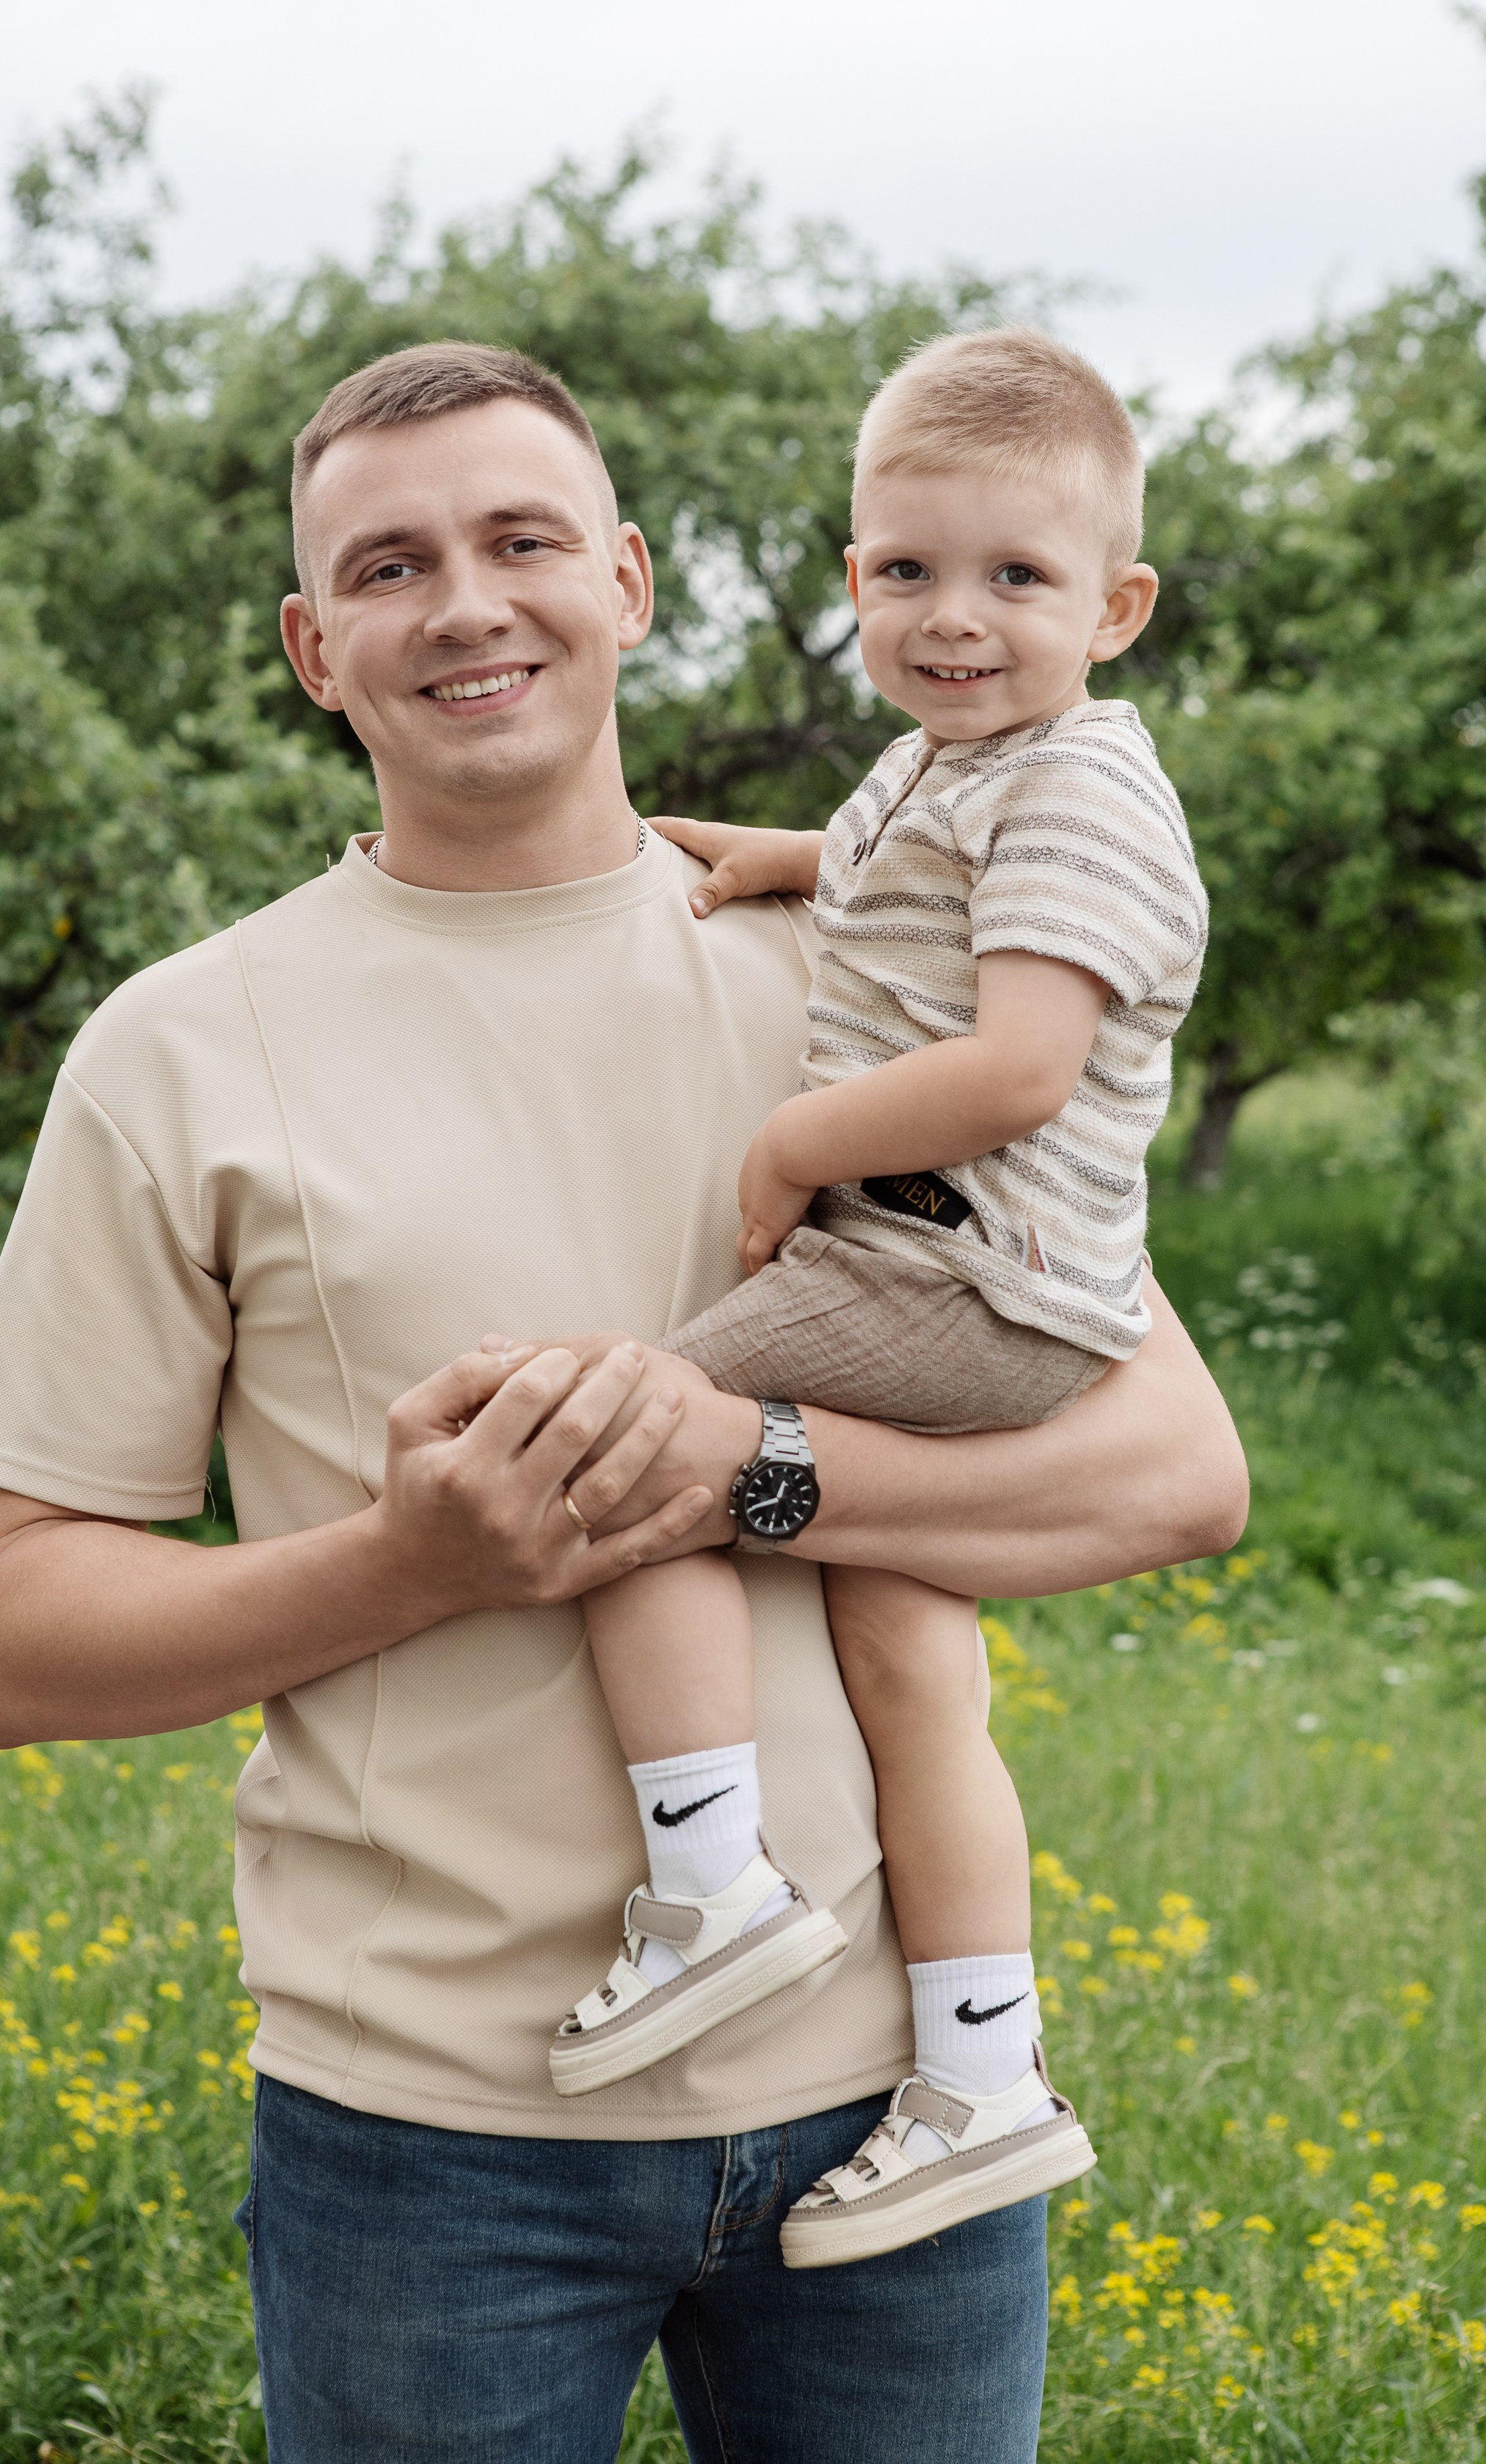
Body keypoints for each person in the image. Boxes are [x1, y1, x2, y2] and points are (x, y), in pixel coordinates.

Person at [0, 340, 1247, 2464]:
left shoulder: (868, 984)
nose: (469, 602)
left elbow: (1178, 1473)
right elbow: (5, 1644)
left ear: (629, 580)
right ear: (311, 645)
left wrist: (753, 1473)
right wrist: (407, 1562)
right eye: (391, 563)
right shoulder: (176, 1053)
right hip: (428, 2145)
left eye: (525, 538)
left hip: (895, 2124)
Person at [548, 329, 1207, 2278]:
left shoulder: (1084, 790)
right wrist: (781, 864)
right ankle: (984, 2071)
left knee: (630, 1445)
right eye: (908, 571)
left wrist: (792, 1143)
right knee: (921, 1678)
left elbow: (1014, 1065)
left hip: (946, 1270)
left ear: (1120, 603)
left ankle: (710, 1884)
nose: (955, 619)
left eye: (1017, 578)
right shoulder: (954, 773)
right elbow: (902, 880)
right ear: (852, 581)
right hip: (986, 1285)